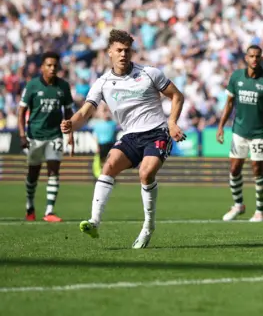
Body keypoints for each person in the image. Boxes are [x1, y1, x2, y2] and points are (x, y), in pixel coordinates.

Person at [60, 29, 186, 248]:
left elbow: (176, 95)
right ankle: (94, 222)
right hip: (130, 136)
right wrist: (71, 123)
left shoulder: (149, 73)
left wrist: (172, 122)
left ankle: (148, 226)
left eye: (127, 50)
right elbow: (85, 112)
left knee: (145, 173)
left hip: (157, 132)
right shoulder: (103, 83)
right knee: (108, 166)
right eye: (118, 50)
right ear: (109, 52)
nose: (123, 54)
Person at [216, 45, 263, 222]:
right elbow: (229, 104)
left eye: (257, 56)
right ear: (246, 58)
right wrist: (220, 126)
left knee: (257, 171)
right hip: (239, 131)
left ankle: (260, 211)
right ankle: (238, 205)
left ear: (261, 58)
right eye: (251, 56)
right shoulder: (236, 77)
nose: (254, 59)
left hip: (259, 133)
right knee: (234, 169)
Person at [18, 51, 74, 222]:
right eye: (48, 65)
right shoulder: (32, 86)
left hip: (55, 135)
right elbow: (21, 112)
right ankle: (30, 205)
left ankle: (49, 212)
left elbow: (69, 111)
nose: (52, 68)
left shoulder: (63, 87)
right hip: (35, 136)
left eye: (55, 66)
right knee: (33, 173)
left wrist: (70, 134)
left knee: (54, 171)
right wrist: (22, 134)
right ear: (42, 67)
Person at [91, 109, 118, 180]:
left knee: (110, 161)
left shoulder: (113, 123)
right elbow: (96, 136)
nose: (106, 114)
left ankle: (109, 176)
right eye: (104, 113)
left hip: (110, 145)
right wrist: (97, 146)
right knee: (99, 161)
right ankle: (99, 176)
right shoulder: (98, 125)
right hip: (101, 145)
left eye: (107, 113)